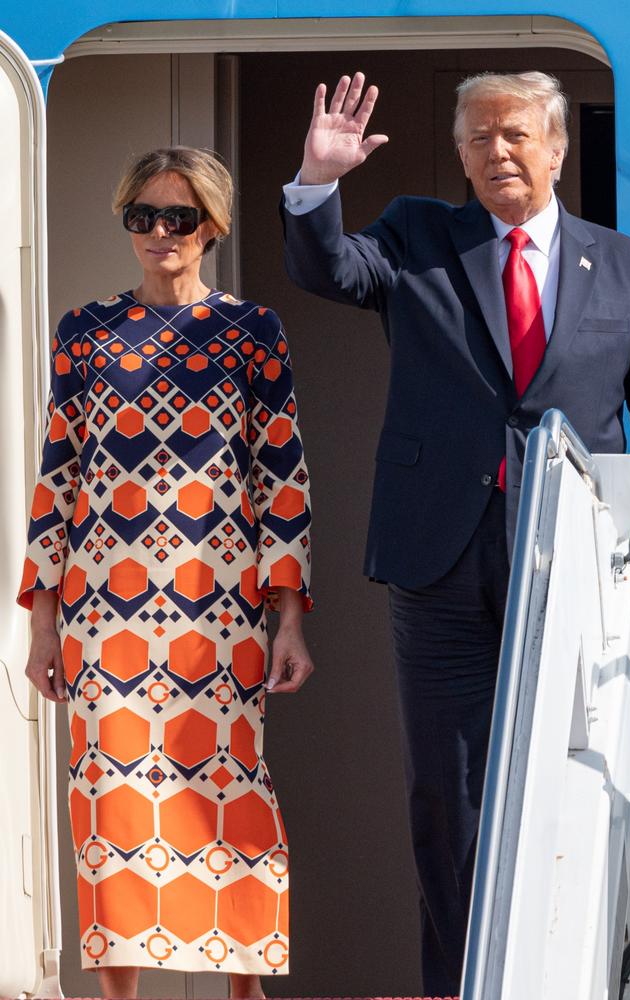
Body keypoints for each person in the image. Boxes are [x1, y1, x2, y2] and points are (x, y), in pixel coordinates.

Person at [280, 70, 630, 996]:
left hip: (573, 566)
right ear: (460, 154)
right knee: (449, 795)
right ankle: (456, 984)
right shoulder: (417, 236)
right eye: (479, 139)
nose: (498, 152)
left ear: (558, 147)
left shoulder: (629, 265)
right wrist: (317, 183)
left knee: (576, 780)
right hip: (438, 557)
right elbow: (328, 269)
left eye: (517, 135)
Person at [19, 146, 314, 1000]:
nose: (158, 232)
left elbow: (282, 479)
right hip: (102, 609)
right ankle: (120, 994)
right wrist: (41, 623)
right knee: (113, 797)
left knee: (230, 788)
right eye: (141, 216)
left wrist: (288, 619)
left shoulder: (252, 332)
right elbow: (57, 480)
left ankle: (245, 986)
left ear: (210, 226)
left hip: (217, 607)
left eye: (178, 217)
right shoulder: (85, 330)